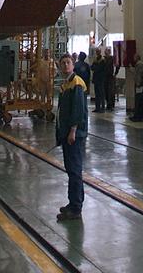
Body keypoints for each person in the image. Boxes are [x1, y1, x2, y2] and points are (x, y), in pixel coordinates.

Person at [55, 53, 88, 221]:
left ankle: (76, 208)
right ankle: (73, 202)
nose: (66, 65)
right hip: (67, 134)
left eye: (68, 62)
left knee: (75, 170)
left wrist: (73, 130)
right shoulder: (65, 85)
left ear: (73, 65)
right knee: (71, 169)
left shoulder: (76, 83)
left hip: (74, 135)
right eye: (63, 63)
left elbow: (78, 110)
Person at [130, 53, 143, 120]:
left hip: (139, 84)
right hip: (138, 84)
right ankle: (138, 115)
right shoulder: (139, 64)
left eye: (134, 57)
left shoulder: (139, 64)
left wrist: (138, 83)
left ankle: (137, 116)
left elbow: (139, 74)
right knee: (138, 99)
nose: (134, 58)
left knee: (138, 100)